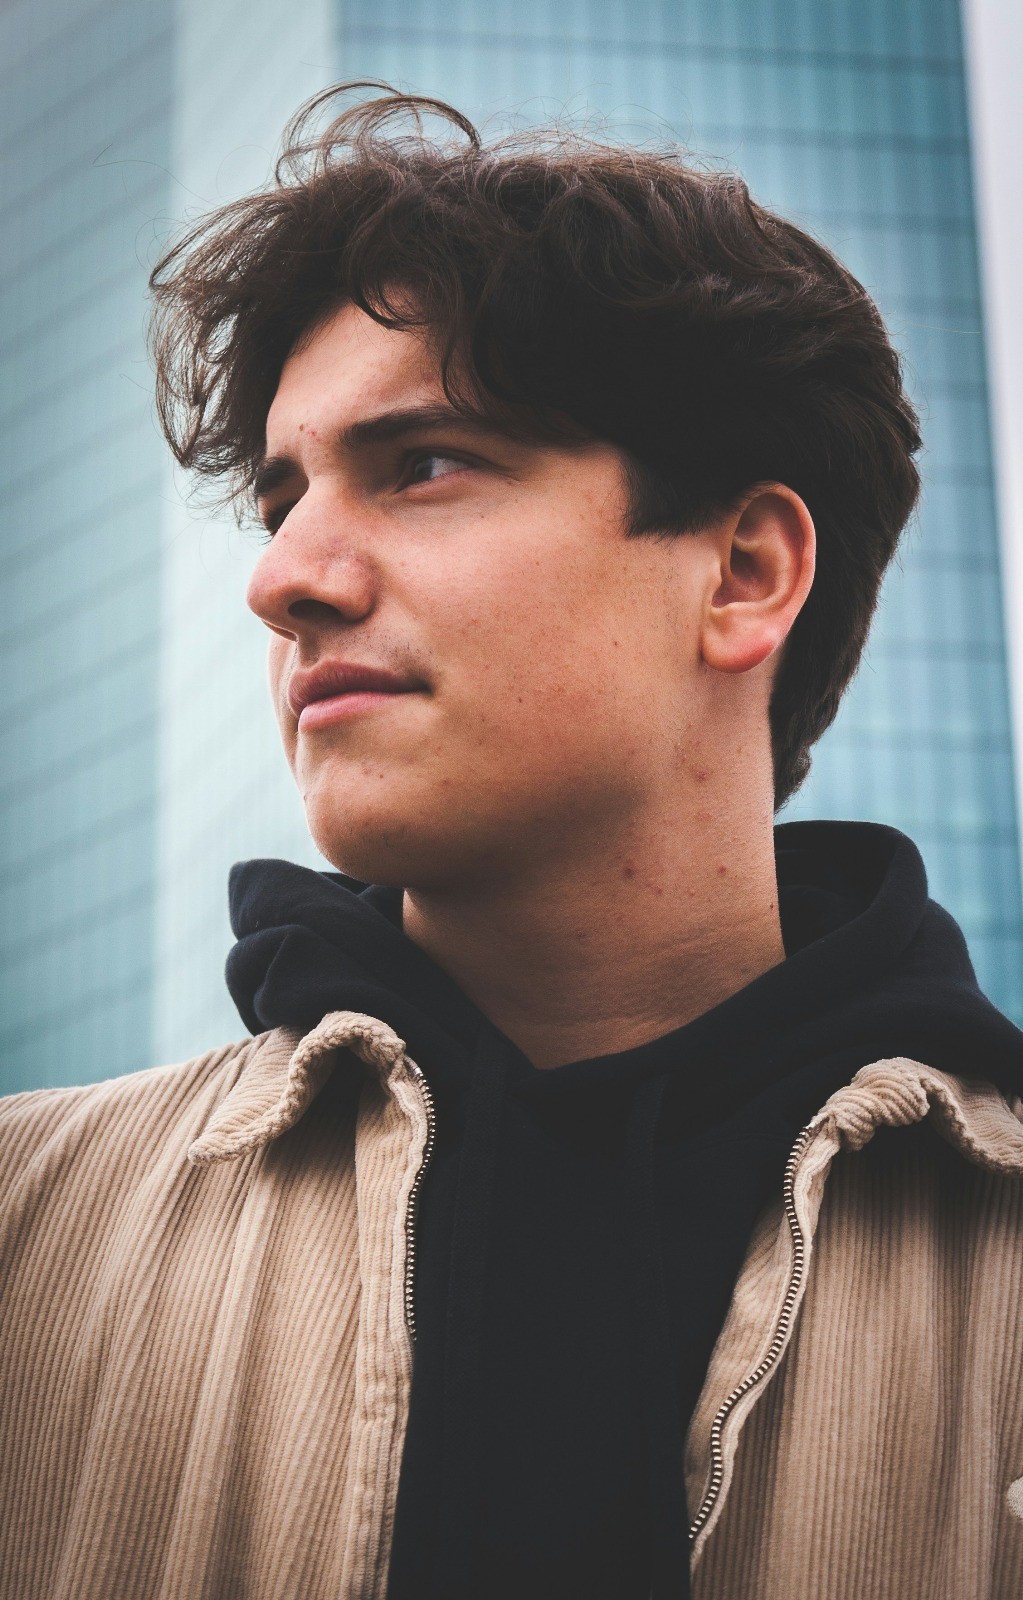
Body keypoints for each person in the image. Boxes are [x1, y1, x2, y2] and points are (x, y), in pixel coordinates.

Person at [2, 83, 1022, 1600]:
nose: (283, 579)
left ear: (743, 571)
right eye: (282, 497)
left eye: (421, 464)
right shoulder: (26, 1234)